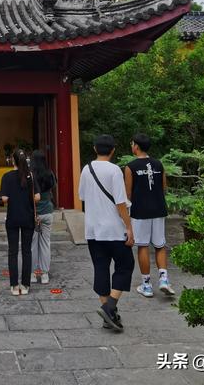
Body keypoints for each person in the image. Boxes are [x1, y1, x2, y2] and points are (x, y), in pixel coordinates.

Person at [78, 134, 134, 332]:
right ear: (113, 150)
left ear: (95, 148)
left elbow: (82, 196)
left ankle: (108, 313)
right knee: (126, 265)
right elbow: (121, 202)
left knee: (101, 267)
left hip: (93, 229)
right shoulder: (114, 171)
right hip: (114, 229)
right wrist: (129, 227)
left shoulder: (86, 169)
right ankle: (110, 307)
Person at [124, 133, 175, 297]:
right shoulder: (158, 164)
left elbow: (128, 193)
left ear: (136, 146)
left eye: (132, 144)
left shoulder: (130, 167)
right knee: (160, 245)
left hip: (140, 211)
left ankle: (146, 285)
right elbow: (164, 187)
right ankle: (164, 279)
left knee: (143, 245)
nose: (132, 146)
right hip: (158, 208)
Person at [0, 149, 40, 295]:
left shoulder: (7, 177)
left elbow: (4, 199)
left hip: (12, 218)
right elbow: (37, 197)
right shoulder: (30, 176)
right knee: (26, 251)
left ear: (13, 161)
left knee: (13, 252)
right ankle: (25, 285)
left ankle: (14, 286)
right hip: (28, 217)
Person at [29, 150, 56, 284]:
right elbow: (52, 189)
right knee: (46, 243)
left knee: (33, 245)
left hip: (34, 213)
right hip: (48, 211)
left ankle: (33, 274)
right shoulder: (50, 173)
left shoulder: (30, 175)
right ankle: (45, 274)